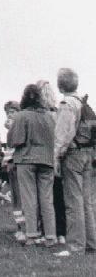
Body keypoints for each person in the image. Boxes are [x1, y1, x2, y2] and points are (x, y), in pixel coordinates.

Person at [52, 68, 96, 256]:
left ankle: (76, 246)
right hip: (89, 154)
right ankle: (91, 243)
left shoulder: (67, 104)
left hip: (74, 155)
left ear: (60, 85)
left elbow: (63, 135)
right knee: (87, 201)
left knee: (73, 201)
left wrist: (56, 156)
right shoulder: (84, 104)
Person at [7, 84, 57, 247]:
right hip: (47, 160)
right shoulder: (50, 116)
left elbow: (14, 140)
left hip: (26, 160)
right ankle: (50, 236)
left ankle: (32, 235)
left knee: (29, 199)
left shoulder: (22, 116)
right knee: (47, 199)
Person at [37, 80, 67, 245]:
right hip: (58, 158)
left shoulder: (40, 115)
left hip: (43, 158)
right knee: (59, 196)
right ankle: (62, 233)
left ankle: (46, 231)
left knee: (44, 198)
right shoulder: (57, 113)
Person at [0, 100, 26, 242]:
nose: (9, 115)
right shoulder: (12, 128)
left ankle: (23, 229)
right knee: (16, 198)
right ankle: (20, 227)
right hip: (11, 164)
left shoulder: (17, 126)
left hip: (17, 163)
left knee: (20, 198)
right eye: (7, 112)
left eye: (12, 112)